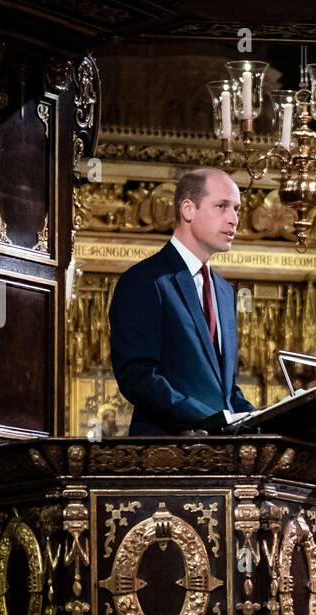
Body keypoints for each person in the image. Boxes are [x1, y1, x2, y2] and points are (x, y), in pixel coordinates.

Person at [109, 167, 256, 435]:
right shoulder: (145, 280)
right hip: (167, 454)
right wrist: (209, 419)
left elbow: (225, 388)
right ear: (188, 209)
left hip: (221, 459)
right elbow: (138, 377)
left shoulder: (224, 291)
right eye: (222, 206)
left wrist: (258, 418)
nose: (234, 219)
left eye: (236, 209)